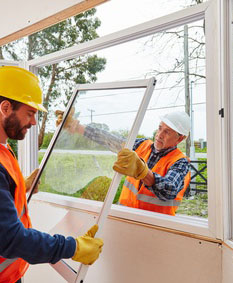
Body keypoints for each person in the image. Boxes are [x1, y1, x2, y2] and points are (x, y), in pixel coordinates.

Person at [0, 66, 103, 283]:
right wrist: (72, 247)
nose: (34, 122)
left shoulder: (4, 148)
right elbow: (11, 239)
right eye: (30, 113)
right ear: (6, 107)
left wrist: (20, 187)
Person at [56, 107, 191, 216]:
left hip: (155, 227)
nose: (159, 134)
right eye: (160, 128)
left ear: (180, 139)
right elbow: (109, 140)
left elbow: (169, 190)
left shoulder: (180, 163)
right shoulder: (141, 145)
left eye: (167, 132)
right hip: (125, 217)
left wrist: (143, 172)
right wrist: (76, 127)